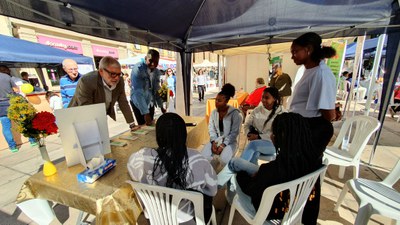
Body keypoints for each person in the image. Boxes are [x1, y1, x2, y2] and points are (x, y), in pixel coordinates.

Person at [218, 113, 321, 220]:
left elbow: (250, 189)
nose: (271, 135)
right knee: (234, 162)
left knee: (235, 174)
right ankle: (216, 186)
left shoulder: (272, 170)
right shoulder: (313, 160)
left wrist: (243, 175)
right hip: (289, 203)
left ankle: (220, 192)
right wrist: (260, 175)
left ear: (278, 138)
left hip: (264, 211)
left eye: (272, 132)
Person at [127, 113, 217, 223]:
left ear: (158, 135)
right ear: (183, 134)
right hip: (186, 220)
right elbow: (212, 190)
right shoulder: (197, 160)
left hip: (155, 219)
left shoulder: (139, 158)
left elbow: (132, 170)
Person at [289, 32, 337, 224]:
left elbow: (327, 113)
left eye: (295, 52)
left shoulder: (320, 73)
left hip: (312, 130)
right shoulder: (309, 70)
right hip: (302, 128)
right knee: (298, 174)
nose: (293, 56)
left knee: (309, 178)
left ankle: (308, 219)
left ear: (308, 50)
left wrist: (333, 114)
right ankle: (296, 213)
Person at [68, 56, 139, 131]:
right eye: (113, 74)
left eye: (119, 74)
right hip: (78, 117)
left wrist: (132, 124)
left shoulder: (119, 81)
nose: (116, 78)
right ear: (101, 72)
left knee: (102, 138)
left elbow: (123, 102)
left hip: (100, 114)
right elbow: (86, 108)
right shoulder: (87, 81)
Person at [201, 83, 242, 165]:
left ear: (226, 101)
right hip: (216, 140)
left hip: (230, 142)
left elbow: (234, 133)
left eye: (219, 101)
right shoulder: (213, 113)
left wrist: (223, 145)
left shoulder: (236, 114)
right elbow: (211, 129)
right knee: (203, 157)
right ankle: (209, 173)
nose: (216, 102)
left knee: (224, 160)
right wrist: (213, 142)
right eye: (216, 100)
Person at [241, 87, 284, 163]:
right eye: (262, 97)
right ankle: (252, 172)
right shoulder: (257, 110)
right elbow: (247, 124)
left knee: (253, 145)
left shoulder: (282, 112)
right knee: (254, 153)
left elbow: (280, 134)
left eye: (266, 98)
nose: (263, 100)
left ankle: (238, 166)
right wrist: (249, 133)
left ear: (274, 99)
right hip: (258, 142)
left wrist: (259, 137)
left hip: (274, 144)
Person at [0, 65, 37, 152]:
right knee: (23, 121)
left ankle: (12, 147)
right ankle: (32, 140)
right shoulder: (7, 77)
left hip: (1, 107)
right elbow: (16, 90)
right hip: (13, 103)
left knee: (6, 127)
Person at [130, 49, 166, 126]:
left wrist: (161, 106)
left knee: (151, 126)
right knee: (143, 127)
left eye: (156, 62)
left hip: (150, 103)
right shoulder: (138, 69)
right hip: (138, 103)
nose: (153, 64)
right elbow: (137, 92)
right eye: (150, 60)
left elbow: (156, 89)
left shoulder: (156, 71)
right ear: (146, 58)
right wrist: (145, 113)